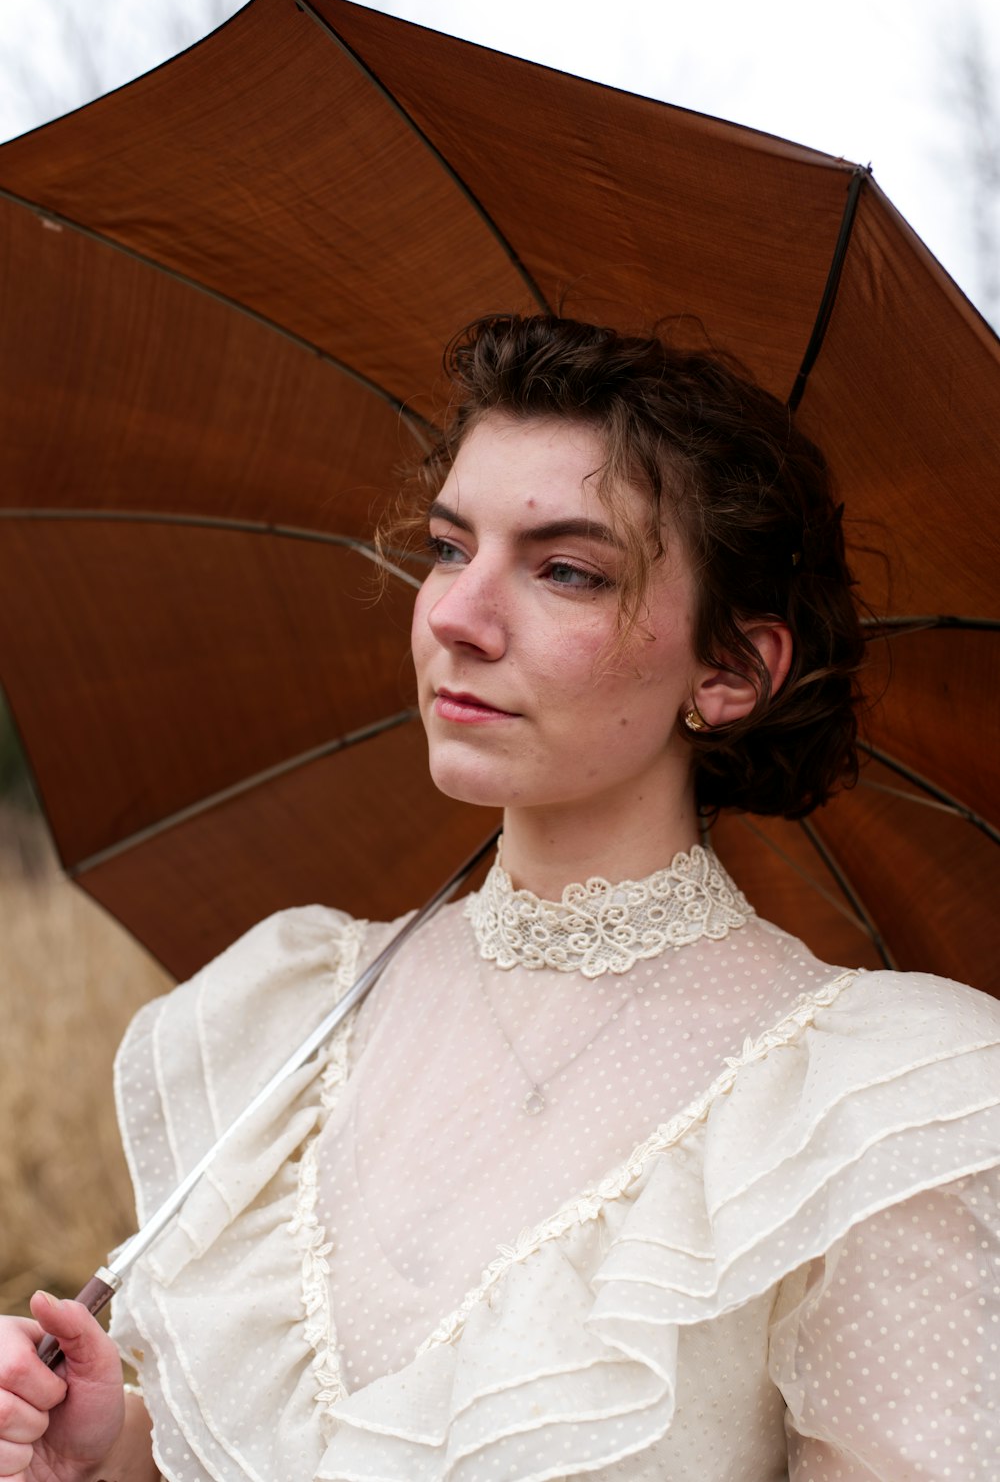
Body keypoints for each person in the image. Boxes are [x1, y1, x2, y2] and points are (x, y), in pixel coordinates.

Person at [1, 314, 998, 1481]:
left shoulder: (875, 1107)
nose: (457, 618)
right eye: (446, 546)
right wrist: (100, 1450)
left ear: (729, 671)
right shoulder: (293, 1013)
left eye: (566, 569)